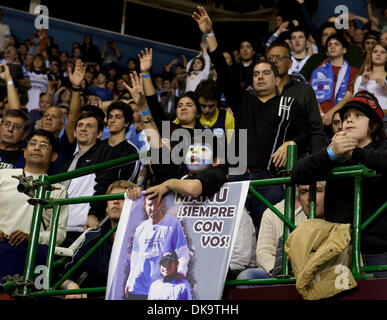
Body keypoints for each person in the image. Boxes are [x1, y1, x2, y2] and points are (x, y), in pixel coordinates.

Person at [192, 6, 307, 231]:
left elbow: (306, 134)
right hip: (236, 179)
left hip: (270, 182)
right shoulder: (242, 101)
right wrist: (209, 34)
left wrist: (292, 142)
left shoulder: (288, 105)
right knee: (231, 237)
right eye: (256, 74)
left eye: (266, 73)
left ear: (277, 79)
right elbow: (223, 71)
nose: (260, 77)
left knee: (271, 239)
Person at [291, 94, 387, 278]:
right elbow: (297, 173)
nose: (349, 119)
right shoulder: (333, 153)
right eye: (345, 117)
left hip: (378, 250)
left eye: (358, 115)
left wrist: (355, 153)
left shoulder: (382, 148)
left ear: (372, 124)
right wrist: (330, 154)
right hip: (338, 250)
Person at [0, 129, 69, 281]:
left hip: (31, 253)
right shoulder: (2, 176)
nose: (37, 148)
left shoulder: (58, 189)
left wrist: (31, 237)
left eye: (44, 145)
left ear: (54, 156)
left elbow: (59, 233)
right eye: (32, 143)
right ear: (25, 152)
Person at [60, 180, 135, 299]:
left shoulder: (145, 237)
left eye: (122, 198)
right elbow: (65, 274)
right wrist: (69, 284)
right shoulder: (93, 238)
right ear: (106, 208)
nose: (115, 201)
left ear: (134, 205)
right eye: (111, 199)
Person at [236, 181, 325, 281]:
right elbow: (263, 252)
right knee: (246, 276)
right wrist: (280, 270)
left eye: (318, 191)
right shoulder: (270, 213)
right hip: (276, 271)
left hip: (313, 270)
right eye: (304, 191)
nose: (309, 197)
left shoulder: (318, 209)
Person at [124, 194, 190, 300]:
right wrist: (130, 280)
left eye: (156, 204)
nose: (153, 208)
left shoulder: (173, 224)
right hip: (139, 287)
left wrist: (181, 272)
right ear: (145, 207)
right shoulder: (140, 229)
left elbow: (182, 252)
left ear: (162, 204)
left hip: (162, 287)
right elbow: (135, 259)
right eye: (150, 205)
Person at [266, 41, 326, 156]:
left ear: (290, 63)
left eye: (279, 57)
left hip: (297, 158)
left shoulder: (304, 90)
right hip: (264, 160)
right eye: (270, 58)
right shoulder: (258, 92)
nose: (274, 61)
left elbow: (316, 130)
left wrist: (316, 160)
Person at [310, 33, 358, 127]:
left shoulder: (353, 71)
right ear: (326, 52)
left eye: (336, 44)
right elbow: (312, 94)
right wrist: (321, 114)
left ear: (344, 50)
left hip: (342, 117)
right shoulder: (317, 71)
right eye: (329, 45)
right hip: (319, 117)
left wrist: (332, 113)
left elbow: (349, 95)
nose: (332, 46)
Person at [353, 42, 387, 117]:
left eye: (383, 52)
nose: (378, 54)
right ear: (371, 55)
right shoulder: (361, 78)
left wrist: (385, 87)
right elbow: (355, 100)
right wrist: (363, 83)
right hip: (366, 115)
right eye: (375, 52)